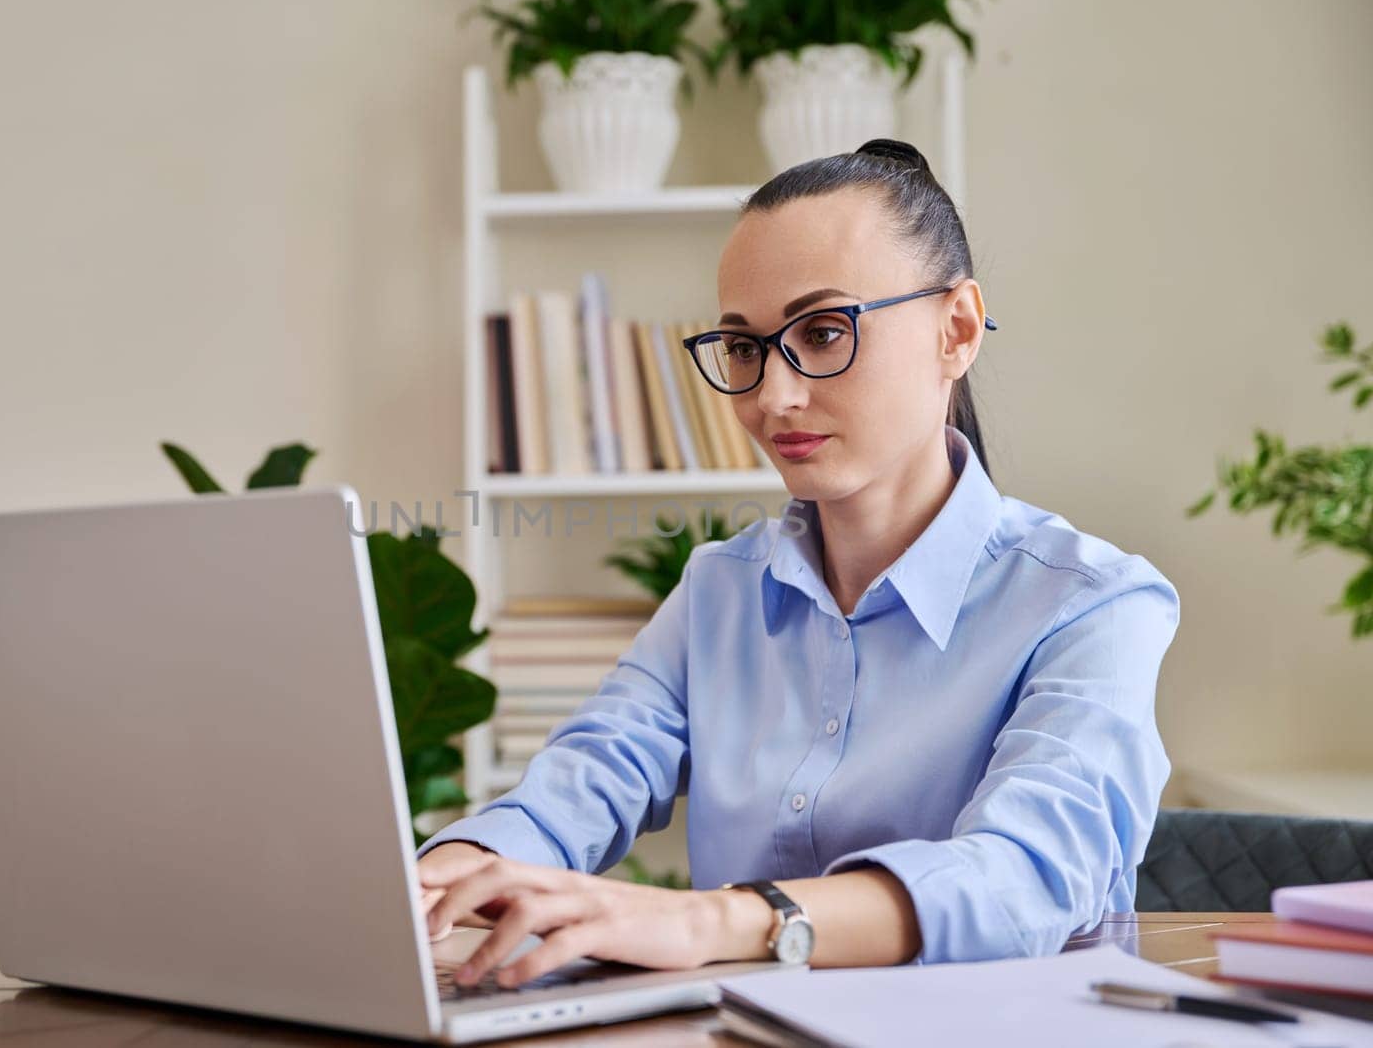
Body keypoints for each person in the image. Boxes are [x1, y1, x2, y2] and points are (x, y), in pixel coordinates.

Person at [417, 139, 1179, 989]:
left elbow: (1027, 875)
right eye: (744, 348)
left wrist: (715, 917)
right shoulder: (719, 590)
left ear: (956, 329)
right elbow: (586, 777)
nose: (772, 396)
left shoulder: (1095, 604)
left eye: (822, 332)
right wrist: (450, 874)